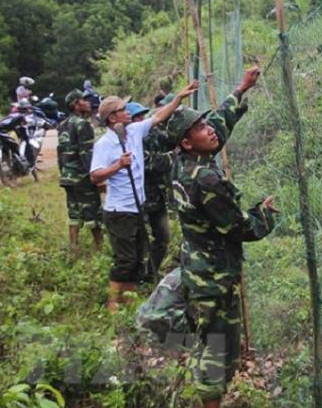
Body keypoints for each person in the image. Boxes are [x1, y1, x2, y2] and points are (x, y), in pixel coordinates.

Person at [167, 66, 277, 407]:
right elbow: (239, 228)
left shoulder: (182, 164)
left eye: (205, 124)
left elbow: (219, 125)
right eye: (199, 128)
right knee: (216, 351)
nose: (208, 130)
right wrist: (266, 215)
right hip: (214, 279)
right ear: (187, 142)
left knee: (212, 342)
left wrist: (241, 89)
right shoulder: (206, 181)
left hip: (198, 271)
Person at [90, 80, 199, 312]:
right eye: (122, 110)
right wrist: (118, 166)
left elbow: (159, 116)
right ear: (112, 118)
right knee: (125, 260)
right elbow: (95, 176)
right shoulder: (105, 144)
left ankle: (128, 302)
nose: (127, 112)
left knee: (137, 256)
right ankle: (113, 305)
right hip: (119, 211)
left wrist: (179, 97)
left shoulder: (133, 131)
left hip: (136, 208)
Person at [127, 101, 173, 282]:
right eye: (136, 117)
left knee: (163, 237)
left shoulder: (153, 134)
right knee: (137, 240)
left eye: (142, 116)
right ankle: (137, 275)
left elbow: (170, 138)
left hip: (157, 197)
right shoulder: (129, 141)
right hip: (138, 198)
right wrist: (173, 156)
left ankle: (150, 273)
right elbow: (151, 164)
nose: (140, 119)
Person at [57, 89, 104, 252]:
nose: (88, 103)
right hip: (81, 177)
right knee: (93, 212)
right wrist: (96, 177)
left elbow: (60, 153)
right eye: (84, 100)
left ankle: (73, 247)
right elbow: (87, 154)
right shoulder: (83, 125)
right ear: (76, 105)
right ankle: (100, 248)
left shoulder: (62, 125)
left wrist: (63, 172)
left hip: (67, 177)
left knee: (74, 212)